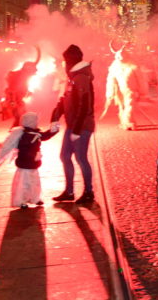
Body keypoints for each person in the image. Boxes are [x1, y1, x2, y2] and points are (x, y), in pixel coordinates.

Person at [51, 44, 96, 204]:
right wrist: (55, 116)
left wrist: (76, 130)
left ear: (71, 62)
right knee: (64, 156)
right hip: (72, 125)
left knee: (81, 158)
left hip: (82, 126)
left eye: (65, 62)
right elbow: (65, 100)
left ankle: (89, 192)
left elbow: (84, 104)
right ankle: (69, 191)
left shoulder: (81, 78)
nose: (64, 65)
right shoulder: (72, 78)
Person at [0, 112, 59, 209]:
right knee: (24, 183)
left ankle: (35, 198)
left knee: (34, 182)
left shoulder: (34, 133)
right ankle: (21, 200)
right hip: (26, 164)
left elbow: (44, 136)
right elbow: (28, 144)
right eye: (35, 121)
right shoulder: (25, 135)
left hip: (32, 163)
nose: (37, 123)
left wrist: (53, 131)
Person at [3, 48, 41, 127]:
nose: (34, 72)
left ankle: (16, 132)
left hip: (17, 99)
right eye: (33, 70)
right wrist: (13, 101)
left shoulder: (23, 75)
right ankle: (15, 133)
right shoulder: (19, 76)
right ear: (28, 69)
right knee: (20, 116)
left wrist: (27, 92)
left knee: (21, 116)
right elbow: (13, 90)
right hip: (14, 99)